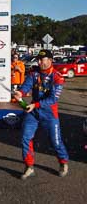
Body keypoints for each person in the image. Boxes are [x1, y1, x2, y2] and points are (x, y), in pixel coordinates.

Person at [13, 49, 69, 180]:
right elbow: (26, 86)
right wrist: (20, 93)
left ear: (50, 60)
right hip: (33, 112)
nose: (38, 62)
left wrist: (35, 105)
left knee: (55, 141)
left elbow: (53, 99)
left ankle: (63, 161)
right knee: (25, 138)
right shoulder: (34, 73)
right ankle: (29, 166)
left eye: (41, 60)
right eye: (38, 59)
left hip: (49, 114)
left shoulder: (57, 77)